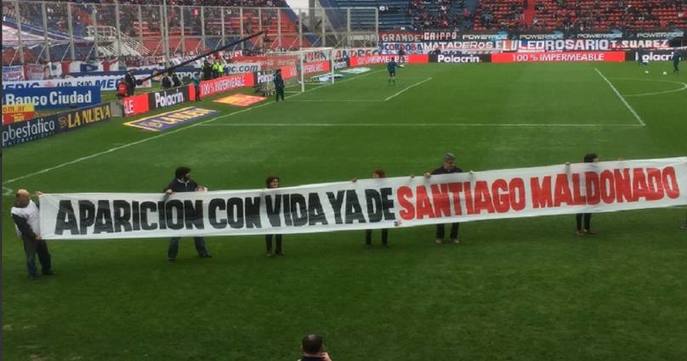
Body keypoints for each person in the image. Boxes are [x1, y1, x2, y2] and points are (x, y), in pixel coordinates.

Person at [164, 167, 212, 261]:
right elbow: (164, 197)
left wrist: (201, 189)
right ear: (182, 176)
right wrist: (167, 193)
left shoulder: (191, 182)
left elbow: (198, 188)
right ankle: (171, 256)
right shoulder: (173, 185)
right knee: (175, 237)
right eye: (188, 174)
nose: (190, 175)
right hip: (180, 216)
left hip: (193, 213)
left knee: (198, 234)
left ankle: (203, 253)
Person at [11, 189, 53, 279]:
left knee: (44, 253)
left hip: (39, 232)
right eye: (26, 196)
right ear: (19, 198)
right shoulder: (16, 211)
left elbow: (38, 207)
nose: (28, 198)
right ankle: (32, 274)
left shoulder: (30, 202)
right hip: (29, 236)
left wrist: (42, 198)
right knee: (31, 256)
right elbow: (23, 227)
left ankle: (46, 269)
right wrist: (34, 236)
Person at [424, 153, 463, 244]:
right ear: (445, 162)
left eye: (452, 162)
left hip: (454, 199)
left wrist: (471, 175)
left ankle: (454, 237)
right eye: (449, 163)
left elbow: (465, 180)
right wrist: (426, 175)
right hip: (441, 199)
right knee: (440, 219)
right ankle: (439, 237)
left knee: (456, 218)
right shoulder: (438, 171)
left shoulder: (458, 171)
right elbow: (428, 177)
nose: (451, 165)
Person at [355, 169, 389, 247]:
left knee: (385, 225)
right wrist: (355, 181)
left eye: (375, 175)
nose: (373, 176)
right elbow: (359, 186)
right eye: (373, 175)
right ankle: (368, 243)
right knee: (369, 225)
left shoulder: (387, 183)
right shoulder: (369, 183)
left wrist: (411, 178)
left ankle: (384, 242)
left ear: (380, 176)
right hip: (372, 207)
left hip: (383, 207)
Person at [576, 153, 600, 236]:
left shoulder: (596, 167)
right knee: (580, 211)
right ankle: (578, 229)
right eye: (596, 158)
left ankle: (586, 228)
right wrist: (567, 166)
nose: (598, 160)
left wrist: (620, 163)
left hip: (591, 193)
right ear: (592, 160)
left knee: (589, 210)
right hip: (581, 193)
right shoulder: (580, 168)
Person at [264, 176, 284, 256]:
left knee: (279, 233)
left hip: (278, 215)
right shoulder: (264, 192)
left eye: (276, 181)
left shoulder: (282, 191)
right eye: (273, 181)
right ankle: (269, 251)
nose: (275, 183)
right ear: (269, 183)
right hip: (268, 215)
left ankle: (278, 250)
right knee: (269, 233)